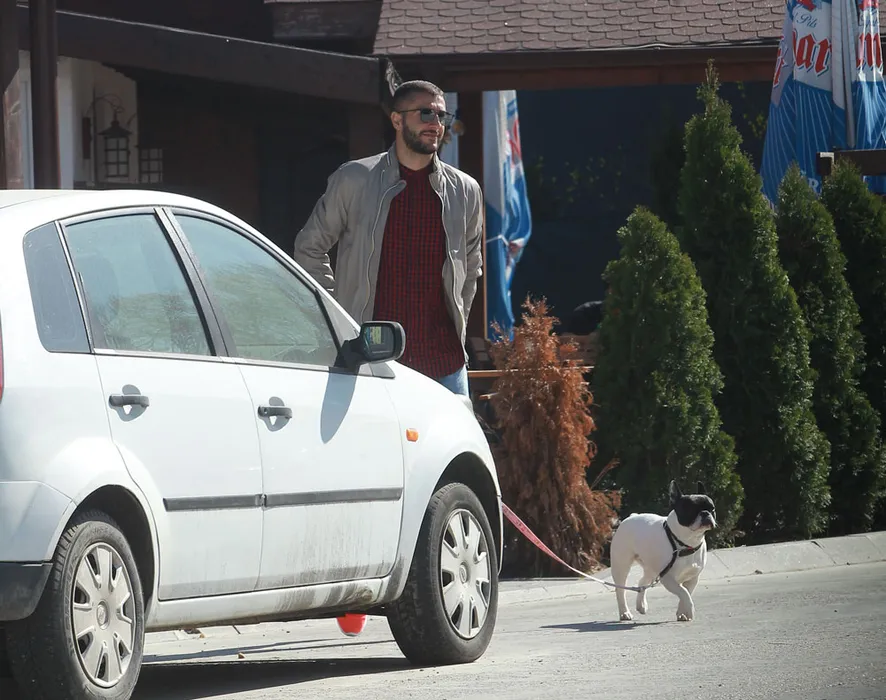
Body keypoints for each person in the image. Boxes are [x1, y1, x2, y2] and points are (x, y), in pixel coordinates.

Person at [293, 80, 483, 396]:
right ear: (397, 120)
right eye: (425, 113)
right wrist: (337, 316)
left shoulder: (465, 190)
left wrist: (458, 326)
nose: (435, 124)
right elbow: (309, 248)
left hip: (445, 364)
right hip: (370, 361)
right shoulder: (354, 179)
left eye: (441, 116)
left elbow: (471, 267)